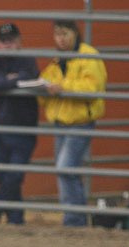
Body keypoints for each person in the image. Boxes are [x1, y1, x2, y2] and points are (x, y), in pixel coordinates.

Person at [39, 20, 107, 227]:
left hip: (81, 122)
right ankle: (75, 216)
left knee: (65, 168)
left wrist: (62, 87)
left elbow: (93, 88)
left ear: (75, 33)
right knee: (68, 169)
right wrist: (43, 90)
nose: (61, 38)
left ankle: (74, 218)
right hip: (62, 121)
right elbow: (45, 85)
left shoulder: (89, 55)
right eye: (57, 34)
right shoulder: (57, 60)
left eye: (65, 33)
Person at [0, 22, 39, 225]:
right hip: (1, 129)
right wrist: (10, 80)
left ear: (19, 41)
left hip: (23, 129)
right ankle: (16, 219)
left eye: (11, 40)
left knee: (14, 175)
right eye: (4, 41)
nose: (8, 44)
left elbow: (27, 78)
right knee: (5, 176)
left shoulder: (27, 61)